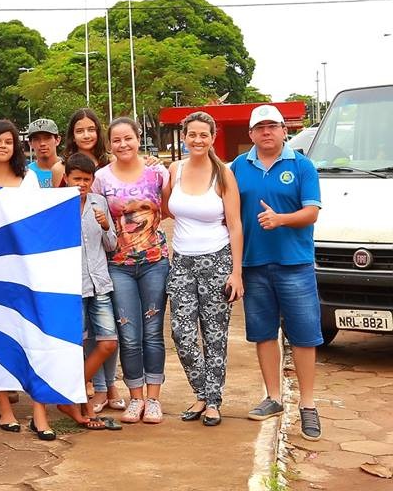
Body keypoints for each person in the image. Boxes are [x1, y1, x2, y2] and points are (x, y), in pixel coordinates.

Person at [231, 105, 322, 441]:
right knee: (263, 334)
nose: (266, 133)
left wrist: (281, 219)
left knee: (304, 335)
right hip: (254, 265)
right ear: (251, 133)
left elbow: (312, 212)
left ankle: (308, 405)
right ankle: (273, 397)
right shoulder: (239, 166)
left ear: (284, 130)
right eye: (260, 128)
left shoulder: (302, 166)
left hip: (294, 264)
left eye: (273, 127)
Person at [0, 120, 54, 440]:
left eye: (9, 141)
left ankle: (40, 411)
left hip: (27, 271)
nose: (3, 146)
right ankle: (5, 408)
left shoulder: (28, 178)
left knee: (34, 338)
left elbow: (39, 221)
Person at [162, 112, 244, 427]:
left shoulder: (224, 174)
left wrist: (236, 272)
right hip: (182, 260)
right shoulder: (175, 170)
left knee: (214, 335)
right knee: (181, 333)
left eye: (203, 135)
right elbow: (165, 209)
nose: (197, 140)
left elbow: (235, 226)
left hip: (217, 259)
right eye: (192, 134)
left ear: (212, 137)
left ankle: (213, 402)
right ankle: (201, 391)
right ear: (184, 137)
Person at [92, 117, 170, 424]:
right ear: (109, 145)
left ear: (139, 139)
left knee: (153, 332)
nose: (123, 145)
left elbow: (172, 207)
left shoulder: (158, 173)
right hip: (118, 266)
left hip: (154, 262)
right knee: (128, 333)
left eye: (128, 138)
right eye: (116, 140)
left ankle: (154, 399)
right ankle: (135, 397)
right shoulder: (101, 178)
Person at [51, 108, 125, 414]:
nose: (81, 184)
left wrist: (107, 227)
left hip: (100, 281)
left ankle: (80, 390)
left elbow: (111, 246)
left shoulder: (100, 203)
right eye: (76, 179)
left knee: (108, 340)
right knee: (78, 341)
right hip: (73, 284)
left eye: (86, 179)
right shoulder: (57, 207)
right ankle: (78, 391)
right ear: (66, 178)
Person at [26, 118, 62, 188]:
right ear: (30, 143)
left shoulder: (69, 168)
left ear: (57, 140)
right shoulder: (26, 173)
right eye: (36, 139)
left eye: (47, 138)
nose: (42, 143)